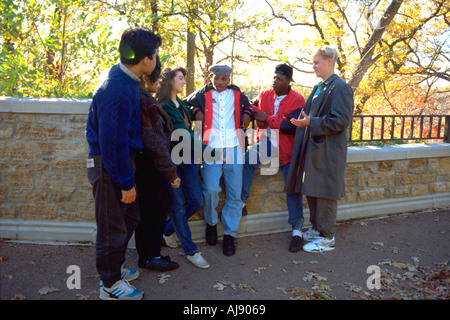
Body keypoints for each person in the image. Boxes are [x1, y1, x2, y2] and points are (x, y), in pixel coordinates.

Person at [85, 27, 161, 300]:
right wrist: (125, 182)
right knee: (112, 227)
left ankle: (114, 268)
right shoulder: (117, 88)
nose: (156, 59)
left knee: (130, 217)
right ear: (147, 59)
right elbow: (112, 142)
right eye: (155, 54)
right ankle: (109, 285)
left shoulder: (125, 80)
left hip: (118, 164)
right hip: (110, 166)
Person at [286, 45, 354, 253]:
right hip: (315, 149)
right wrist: (303, 122)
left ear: (330, 62)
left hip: (329, 151)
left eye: (317, 62)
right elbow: (311, 115)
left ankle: (328, 237)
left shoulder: (340, 87)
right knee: (313, 190)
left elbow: (341, 120)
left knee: (326, 192)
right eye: (313, 62)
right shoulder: (321, 87)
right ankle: (317, 228)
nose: (313, 66)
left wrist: (311, 123)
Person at [184, 64, 252, 256]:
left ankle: (230, 234)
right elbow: (184, 103)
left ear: (229, 79)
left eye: (223, 79)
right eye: (216, 78)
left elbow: (250, 107)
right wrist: (196, 110)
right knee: (211, 189)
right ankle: (212, 223)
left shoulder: (237, 94)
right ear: (210, 77)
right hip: (211, 147)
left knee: (234, 193)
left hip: (234, 147)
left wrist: (247, 113)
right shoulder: (203, 93)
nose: (219, 82)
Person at [241, 64, 306, 253]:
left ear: (289, 81)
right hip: (267, 142)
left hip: (288, 148)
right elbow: (250, 105)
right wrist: (253, 113)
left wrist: (267, 118)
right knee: (248, 160)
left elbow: (290, 126)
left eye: (279, 78)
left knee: (292, 188)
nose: (275, 81)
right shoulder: (265, 94)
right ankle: (242, 203)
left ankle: (297, 231)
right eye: (274, 77)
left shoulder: (298, 100)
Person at [157, 67, 214, 268]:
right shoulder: (164, 106)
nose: (183, 81)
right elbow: (184, 134)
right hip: (171, 162)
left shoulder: (180, 103)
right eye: (180, 78)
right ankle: (191, 251)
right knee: (178, 206)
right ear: (170, 81)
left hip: (187, 159)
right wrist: (211, 152)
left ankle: (166, 229)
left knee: (197, 200)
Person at [134, 56, 181, 272]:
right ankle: (151, 256)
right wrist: (171, 173)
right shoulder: (144, 101)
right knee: (153, 211)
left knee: (148, 212)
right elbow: (154, 142)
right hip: (149, 167)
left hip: (145, 165)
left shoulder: (142, 98)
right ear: (145, 78)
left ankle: (148, 255)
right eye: (156, 77)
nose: (158, 81)